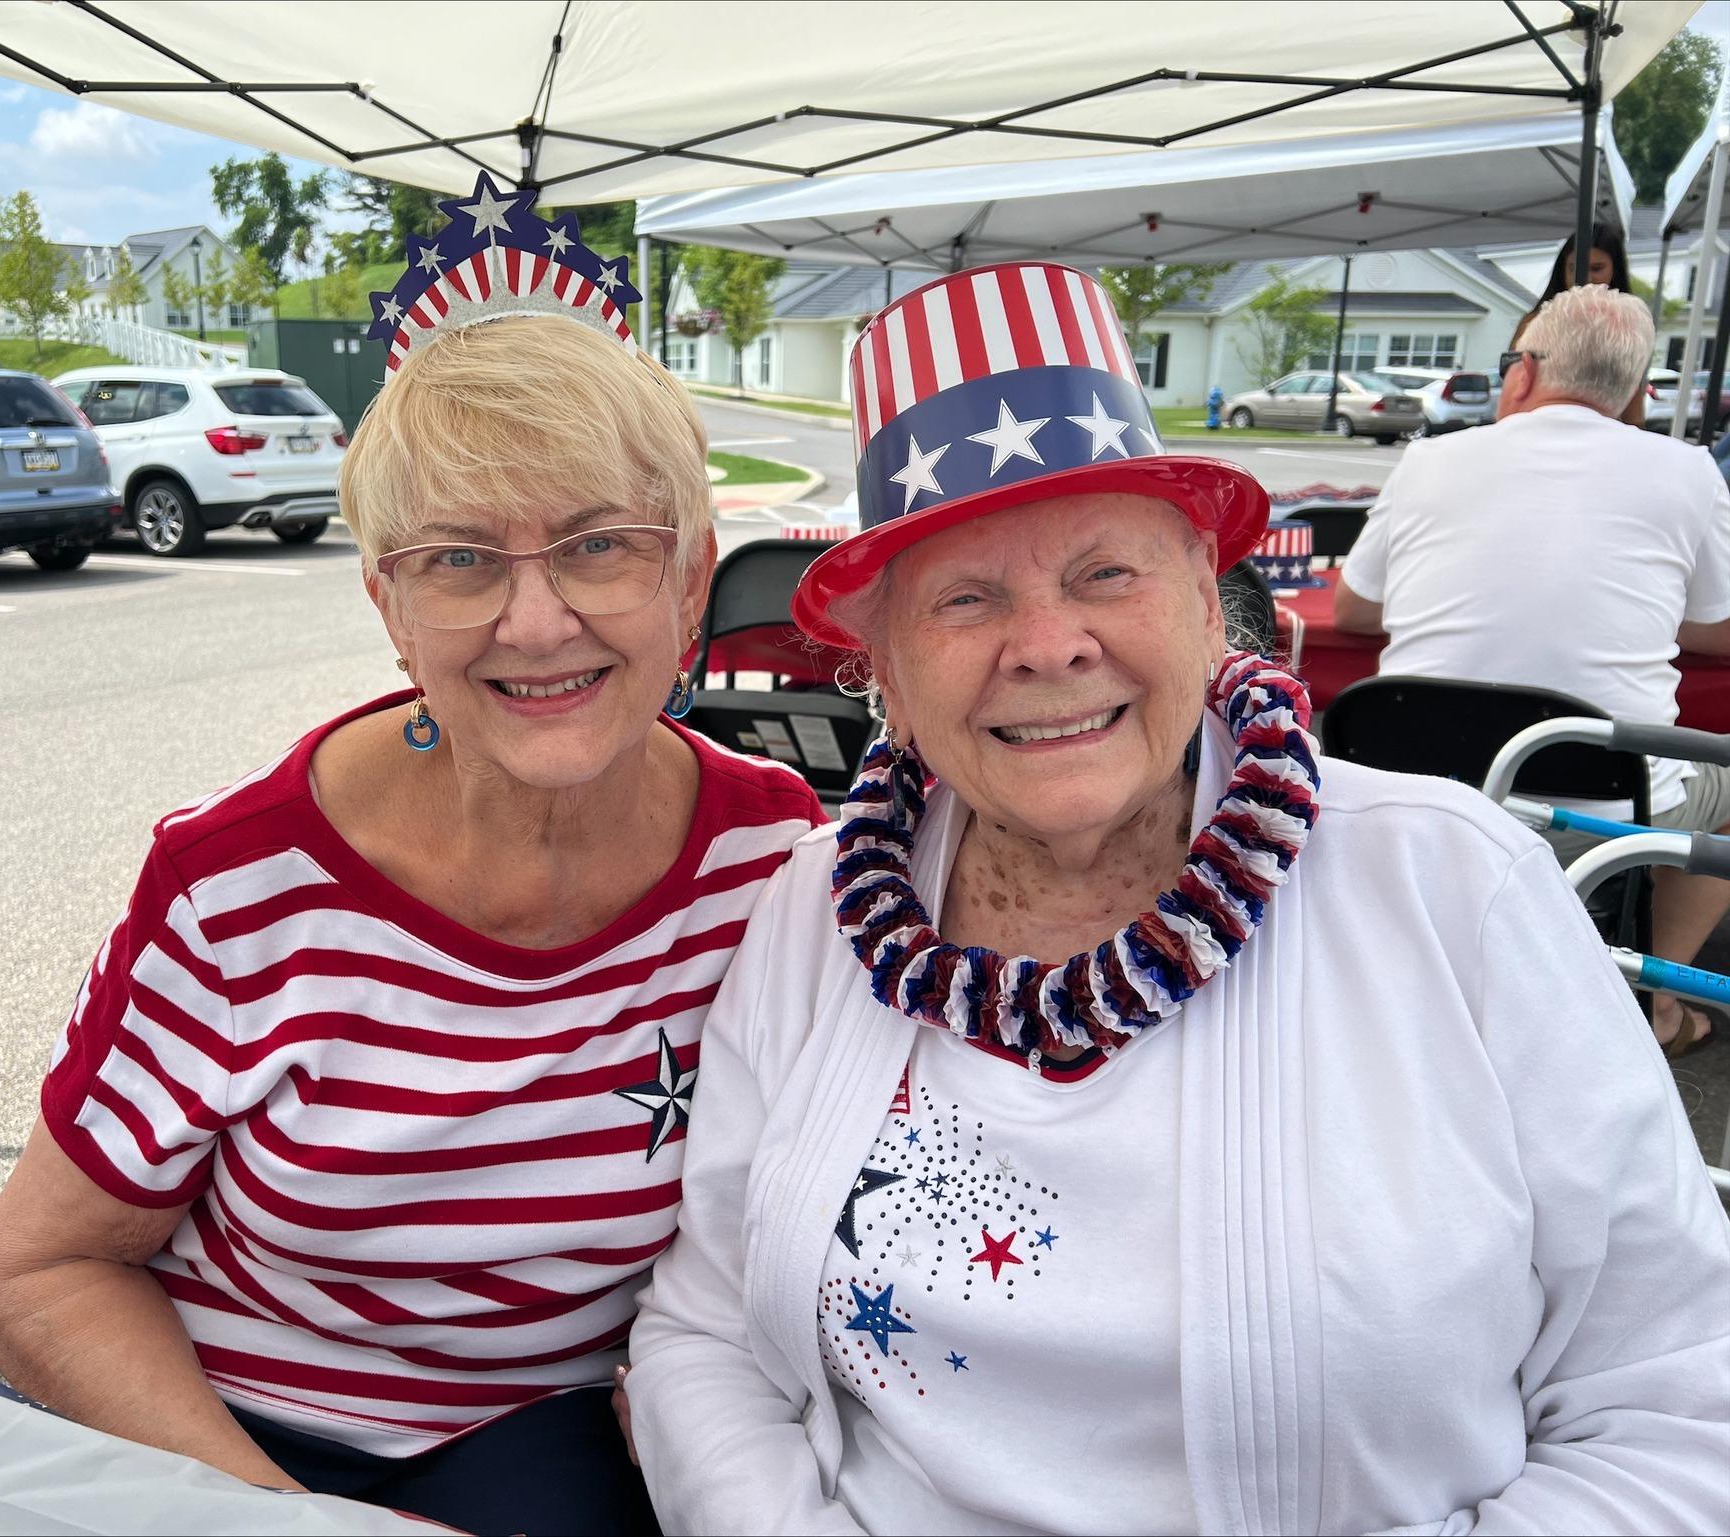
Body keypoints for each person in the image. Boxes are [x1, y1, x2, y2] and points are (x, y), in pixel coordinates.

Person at [623, 262, 1730, 1535]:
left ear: (1210, 601)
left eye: (1104, 575)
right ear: (883, 670)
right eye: (964, 597)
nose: (1046, 645)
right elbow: (702, 1333)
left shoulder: (1451, 884)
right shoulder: (816, 907)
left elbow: (1672, 1395)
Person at [0, 177, 824, 1537]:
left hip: (542, 1437)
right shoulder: (237, 884)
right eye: (460, 561)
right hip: (215, 1428)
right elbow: (42, 1274)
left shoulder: (781, 861)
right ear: (388, 604)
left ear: (692, 577)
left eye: (601, 546)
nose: (537, 623)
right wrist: (280, 1521)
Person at [1336, 283, 1730, 1056]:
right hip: (1608, 807)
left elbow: (1352, 611)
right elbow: (1718, 629)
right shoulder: (1685, 471)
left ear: (1523, 372)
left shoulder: (1429, 459)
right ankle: (1651, 999)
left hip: (1417, 792)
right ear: (1631, 393)